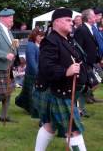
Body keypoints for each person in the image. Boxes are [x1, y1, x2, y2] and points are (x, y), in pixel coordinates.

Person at [34, 8, 87, 151]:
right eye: (68, 20)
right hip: (58, 91)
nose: (72, 23)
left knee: (49, 125)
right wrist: (66, 71)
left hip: (64, 89)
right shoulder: (50, 41)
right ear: (57, 22)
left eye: (71, 20)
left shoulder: (67, 39)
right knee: (73, 130)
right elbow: (46, 67)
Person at [74, 9, 102, 116]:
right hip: (83, 64)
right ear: (89, 18)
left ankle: (81, 109)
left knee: (86, 85)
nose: (96, 17)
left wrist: (98, 59)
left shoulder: (90, 29)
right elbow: (77, 48)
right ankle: (79, 110)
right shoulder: (81, 29)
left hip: (90, 63)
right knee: (82, 86)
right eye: (94, 15)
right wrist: (81, 63)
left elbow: (92, 47)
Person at [15, 28, 44, 114]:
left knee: (27, 92)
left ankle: (20, 102)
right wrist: (37, 73)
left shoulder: (37, 45)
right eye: (40, 36)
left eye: (42, 36)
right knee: (32, 92)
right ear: (35, 36)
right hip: (32, 73)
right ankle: (32, 110)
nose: (42, 38)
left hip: (36, 72)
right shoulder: (31, 45)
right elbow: (31, 62)